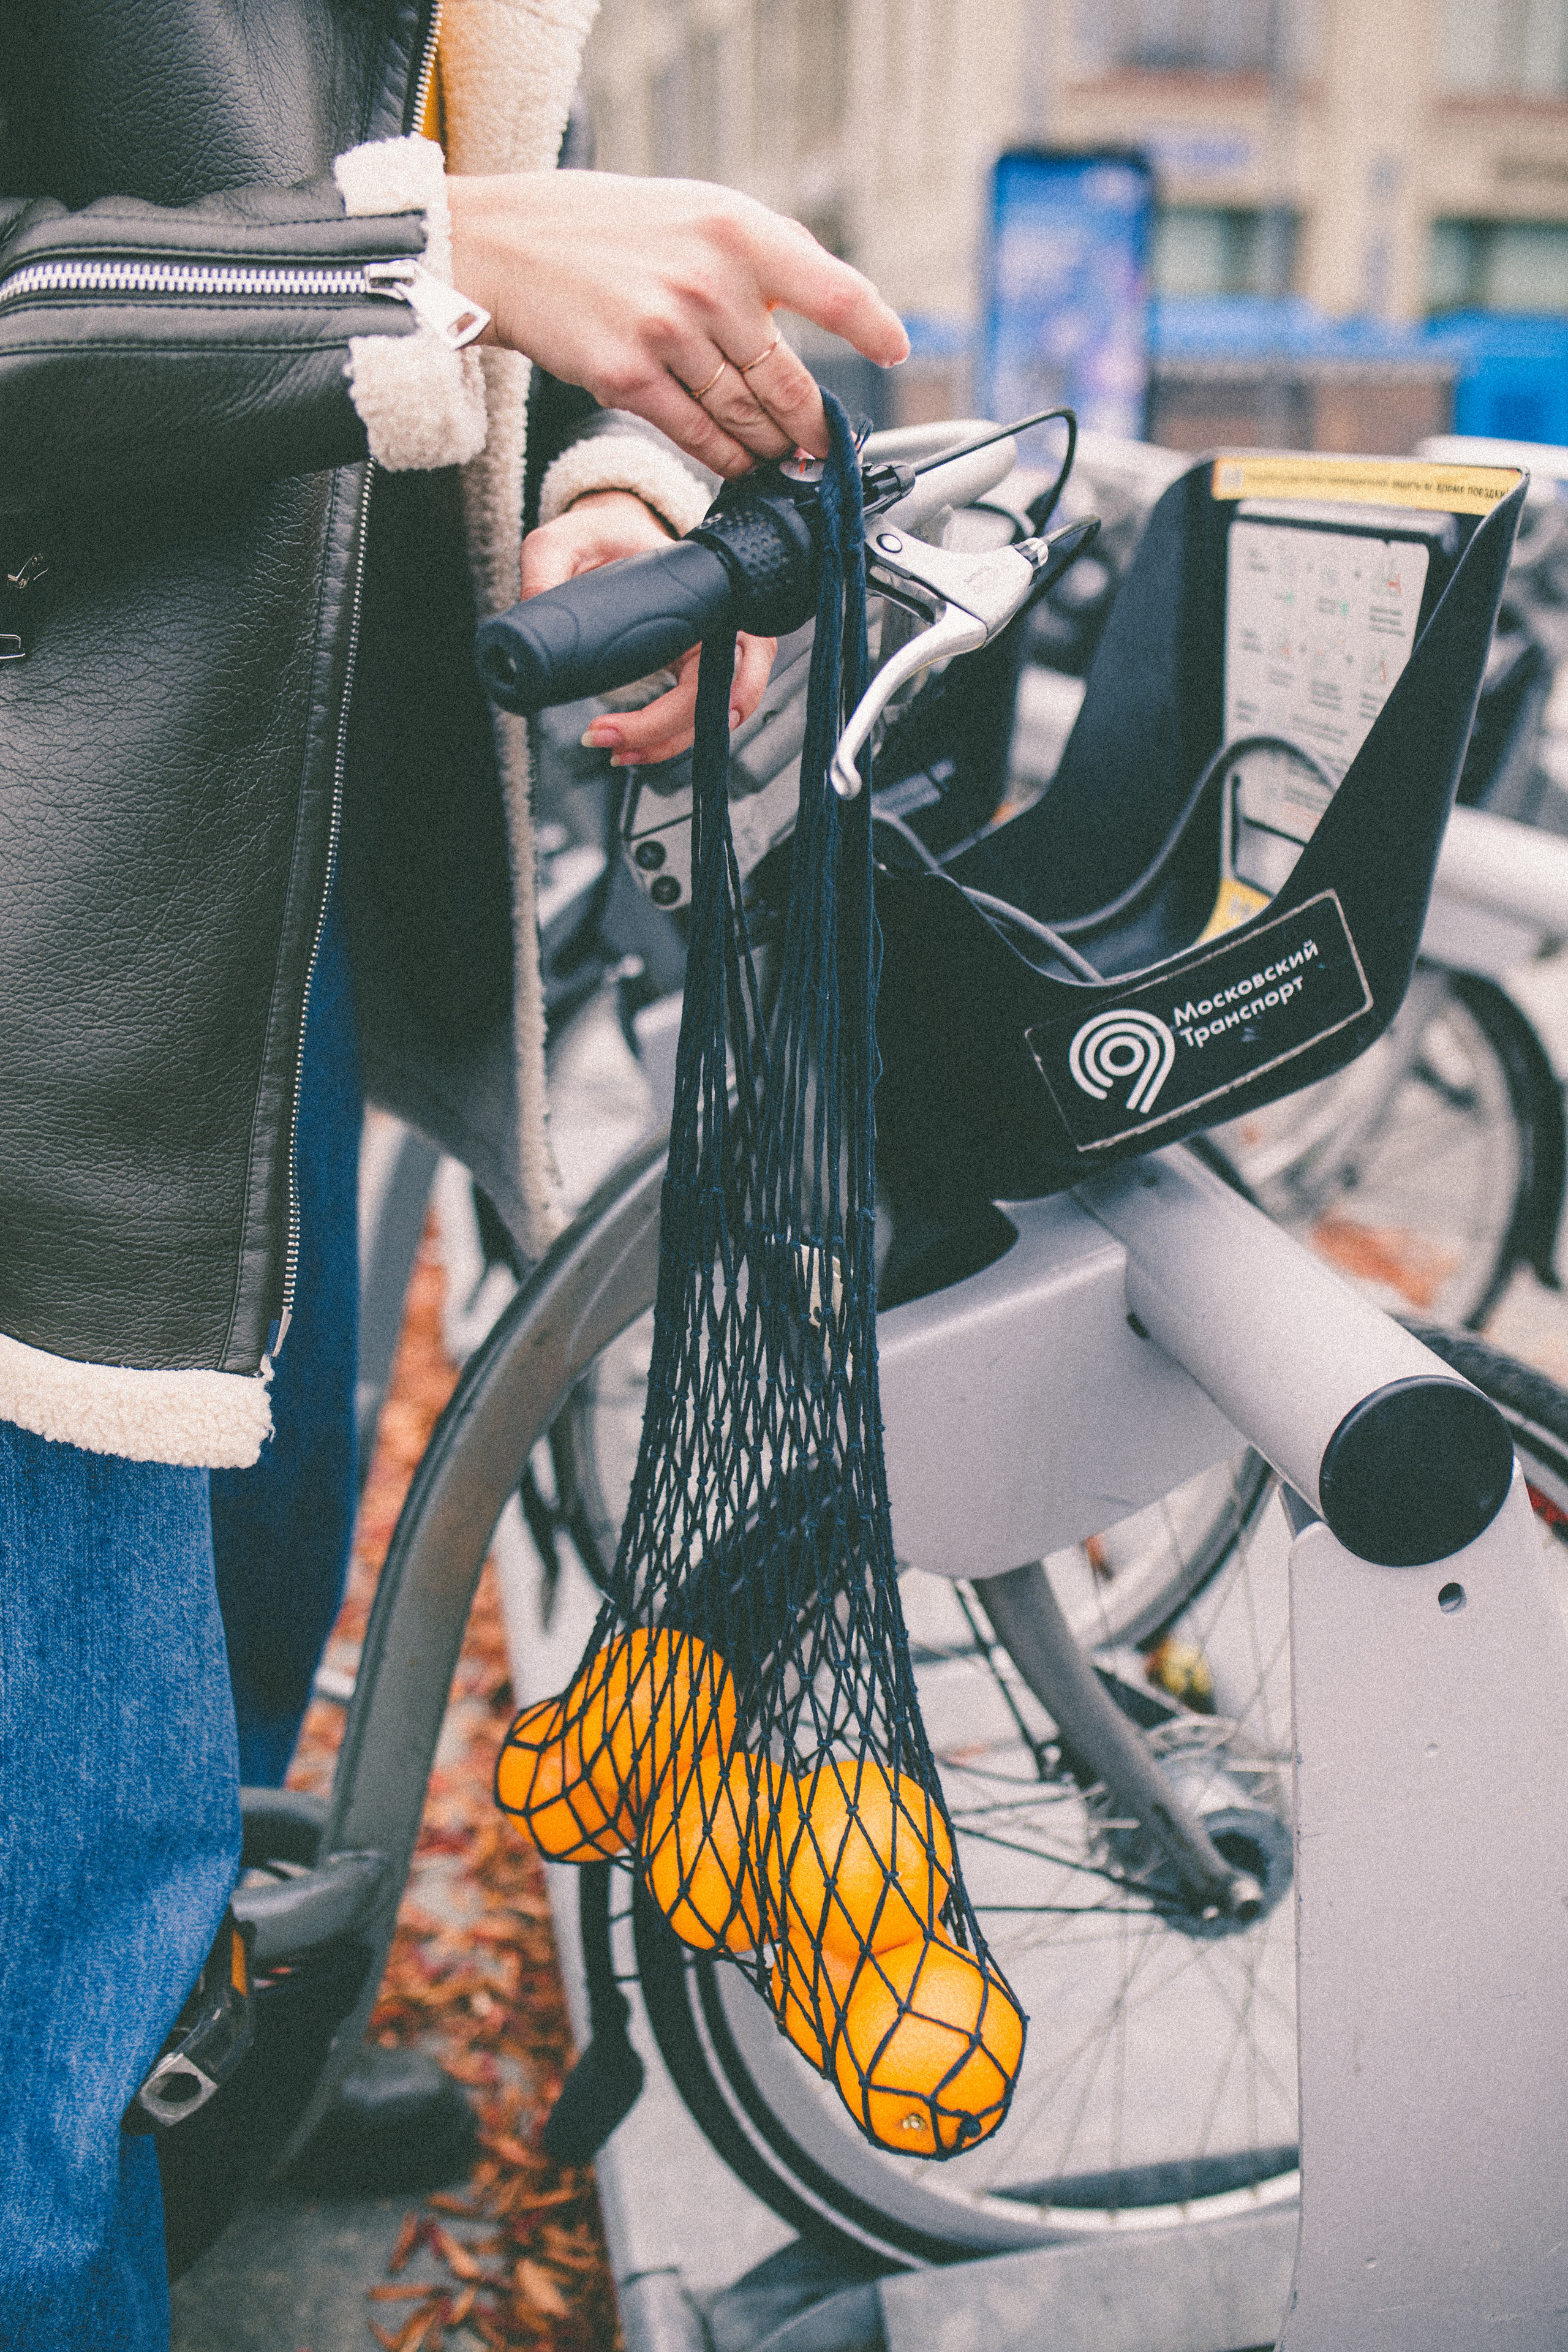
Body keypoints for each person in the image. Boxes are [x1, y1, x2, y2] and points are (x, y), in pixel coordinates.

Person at [0, 6, 907, 2342]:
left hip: (232, 913)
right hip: (47, 942)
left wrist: (602, 487)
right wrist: (438, 259)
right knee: (52, 1950)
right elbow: (406, 255)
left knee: (197, 1717)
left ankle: (183, 2086)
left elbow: (461, 266)